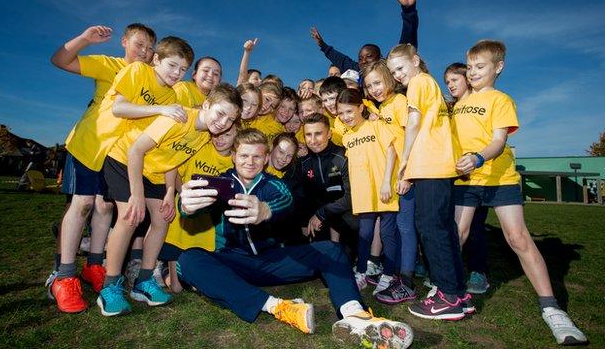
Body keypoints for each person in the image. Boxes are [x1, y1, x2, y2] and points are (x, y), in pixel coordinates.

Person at [176, 129, 414, 348]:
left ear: (266, 158)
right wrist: (185, 204)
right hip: (235, 263)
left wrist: (265, 210)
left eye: (257, 157)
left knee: (332, 249)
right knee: (187, 261)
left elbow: (286, 202)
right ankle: (278, 307)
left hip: (275, 261)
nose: (250, 162)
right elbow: (193, 205)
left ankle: (353, 314)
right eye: (244, 156)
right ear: (234, 156)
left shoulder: (273, 184)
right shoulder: (220, 184)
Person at [453, 40, 587, 345]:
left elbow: (499, 141)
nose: (473, 72)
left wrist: (478, 157)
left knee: (517, 238)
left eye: (480, 66)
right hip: (466, 181)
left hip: (500, 178)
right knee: (456, 235)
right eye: (470, 66)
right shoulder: (458, 105)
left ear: (498, 67)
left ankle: (552, 309)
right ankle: (449, 292)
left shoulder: (501, 100)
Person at [48, 23, 157, 313]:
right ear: (124, 42)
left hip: (114, 157)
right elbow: (59, 60)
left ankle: (94, 266)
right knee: (82, 205)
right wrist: (84, 38)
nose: (144, 52)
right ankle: (64, 276)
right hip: (88, 146)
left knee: (105, 209)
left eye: (149, 48)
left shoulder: (148, 78)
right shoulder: (110, 65)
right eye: (139, 44)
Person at [90, 36, 195, 316]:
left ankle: (144, 281)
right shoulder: (138, 71)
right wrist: (159, 109)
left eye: (183, 70)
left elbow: (171, 148)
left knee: (161, 218)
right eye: (172, 65)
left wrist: (171, 191)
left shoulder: (172, 96)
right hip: (122, 156)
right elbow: (118, 107)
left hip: (151, 164)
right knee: (129, 216)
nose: (177, 73)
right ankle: (109, 286)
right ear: (156, 60)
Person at [386, 43, 468, 320]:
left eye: (400, 67)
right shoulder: (428, 84)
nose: (397, 74)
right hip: (439, 166)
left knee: (431, 228)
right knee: (444, 228)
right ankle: (458, 292)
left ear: (416, 60)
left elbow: (413, 123)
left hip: (431, 165)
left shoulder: (419, 83)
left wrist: (405, 160)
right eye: (393, 71)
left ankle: (447, 297)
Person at [361, 60, 418, 303]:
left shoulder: (400, 102)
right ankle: (395, 273)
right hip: (393, 176)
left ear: (389, 78)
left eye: (378, 82)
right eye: (369, 85)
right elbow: (388, 145)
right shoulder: (384, 107)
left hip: (406, 175)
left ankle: (407, 281)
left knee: (405, 228)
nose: (374, 89)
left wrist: (406, 174)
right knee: (393, 229)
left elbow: (409, 139)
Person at [162, 123, 239, 293]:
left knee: (201, 277)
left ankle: (190, 274)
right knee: (176, 288)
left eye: (227, 135)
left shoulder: (235, 161)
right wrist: (184, 194)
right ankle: (166, 271)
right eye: (217, 134)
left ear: (236, 136)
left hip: (208, 221)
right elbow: (174, 167)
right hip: (185, 214)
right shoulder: (200, 148)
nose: (220, 139)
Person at [444, 62, 491, 295]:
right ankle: (452, 272)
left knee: (476, 227)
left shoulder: (480, 103)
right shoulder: (452, 109)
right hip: (458, 175)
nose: (450, 85)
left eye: (455, 80)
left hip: (483, 175)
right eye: (448, 82)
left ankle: (478, 272)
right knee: (457, 226)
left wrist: (476, 159)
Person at [286, 113, 357, 247]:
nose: (313, 140)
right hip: (316, 220)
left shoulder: (343, 157)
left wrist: (322, 213)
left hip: (344, 217)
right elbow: (298, 197)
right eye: (308, 135)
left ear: (329, 134)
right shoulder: (302, 162)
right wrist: (303, 223)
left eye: (318, 134)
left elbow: (351, 198)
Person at [310, 0, 418, 72]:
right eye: (360, 58)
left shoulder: (390, 70)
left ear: (381, 58)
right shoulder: (358, 72)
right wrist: (323, 45)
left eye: (369, 56)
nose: (364, 61)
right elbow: (343, 61)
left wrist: (409, 10)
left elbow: (405, 47)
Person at [318, 76, 348, 146]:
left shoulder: (361, 108)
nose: (329, 104)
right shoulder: (337, 121)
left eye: (332, 98)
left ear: (343, 94)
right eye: (325, 100)